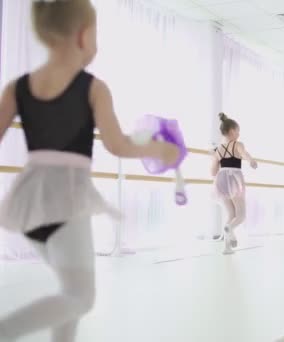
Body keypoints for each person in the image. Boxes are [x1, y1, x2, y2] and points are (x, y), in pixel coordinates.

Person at [0, 1, 179, 341]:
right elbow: (119, 146)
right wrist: (158, 149)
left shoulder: (17, 87)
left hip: (30, 203)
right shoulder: (94, 88)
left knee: (70, 293)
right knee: (81, 297)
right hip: (67, 199)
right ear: (83, 35)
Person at [211, 113, 257, 255]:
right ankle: (230, 229)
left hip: (221, 179)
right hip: (234, 179)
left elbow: (213, 171)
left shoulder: (218, 149)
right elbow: (244, 153)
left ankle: (227, 247)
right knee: (241, 216)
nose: (239, 133)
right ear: (232, 131)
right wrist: (251, 160)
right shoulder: (237, 144)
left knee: (231, 214)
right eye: (238, 131)